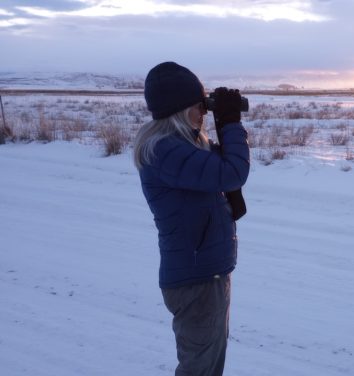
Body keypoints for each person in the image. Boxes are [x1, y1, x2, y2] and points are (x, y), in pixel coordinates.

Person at [134, 61, 250, 376]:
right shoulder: (165, 151)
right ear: (183, 110)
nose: (204, 112)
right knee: (199, 369)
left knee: (209, 366)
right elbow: (233, 172)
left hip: (205, 274)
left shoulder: (184, 146)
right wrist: (229, 123)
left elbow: (226, 169)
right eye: (200, 106)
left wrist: (223, 121)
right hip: (196, 282)